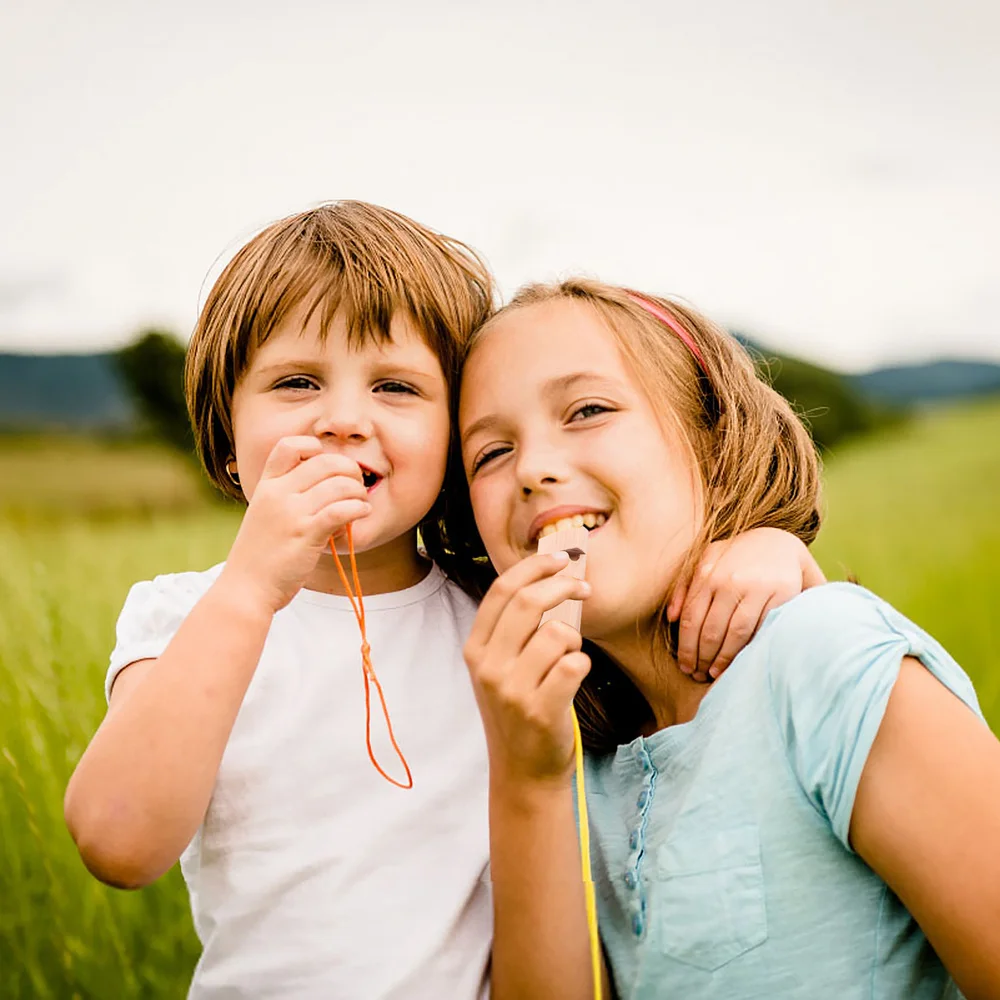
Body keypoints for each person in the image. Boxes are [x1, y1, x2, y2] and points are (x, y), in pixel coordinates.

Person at [64, 204, 824, 999]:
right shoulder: (185, 618)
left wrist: (770, 547)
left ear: (457, 439)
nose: (344, 421)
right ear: (226, 433)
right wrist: (253, 585)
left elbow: (671, 641)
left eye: (396, 387)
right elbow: (119, 841)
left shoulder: (505, 618)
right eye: (296, 383)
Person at [458, 278, 1000, 1000]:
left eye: (587, 411)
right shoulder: (567, 762)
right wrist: (527, 781)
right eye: (490, 453)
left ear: (711, 439)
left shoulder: (823, 656)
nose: (533, 470)